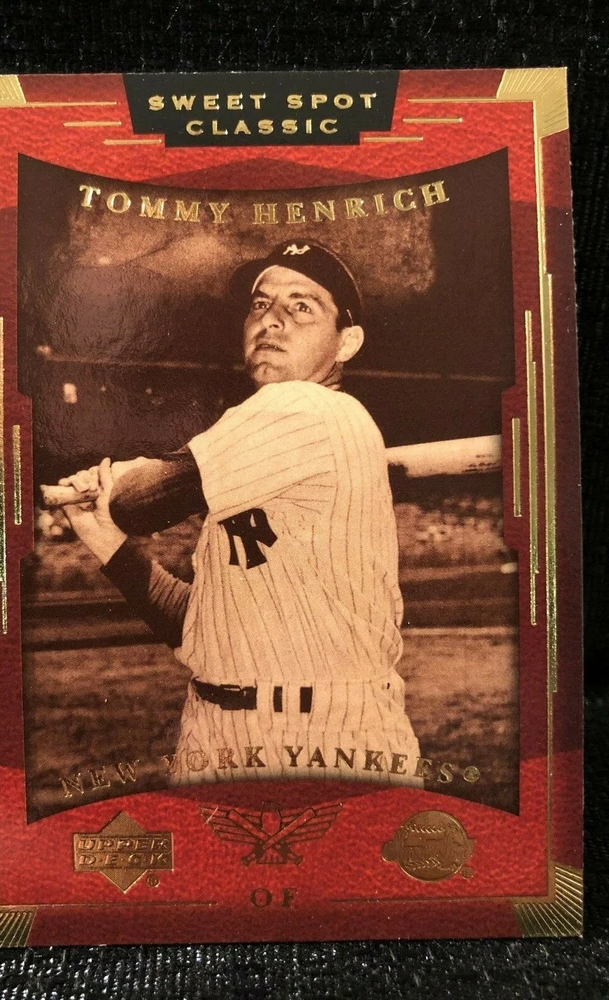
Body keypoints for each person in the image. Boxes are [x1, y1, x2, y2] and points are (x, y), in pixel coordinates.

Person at [59, 240, 421, 786]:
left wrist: (124, 478)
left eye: (302, 306)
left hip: (324, 734)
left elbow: (139, 500)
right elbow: (201, 630)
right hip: (217, 728)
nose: (272, 319)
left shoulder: (306, 406)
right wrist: (105, 536)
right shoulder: (256, 463)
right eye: (260, 304)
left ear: (347, 342)